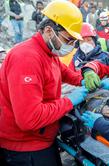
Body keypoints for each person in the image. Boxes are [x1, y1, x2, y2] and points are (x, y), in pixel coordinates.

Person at [0, 1, 89, 165]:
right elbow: (29, 118)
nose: (70, 46)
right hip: (26, 148)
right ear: (49, 30)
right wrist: (68, 101)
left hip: (42, 138)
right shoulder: (27, 59)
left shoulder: (48, 53)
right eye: (68, 39)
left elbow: (63, 72)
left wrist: (84, 78)